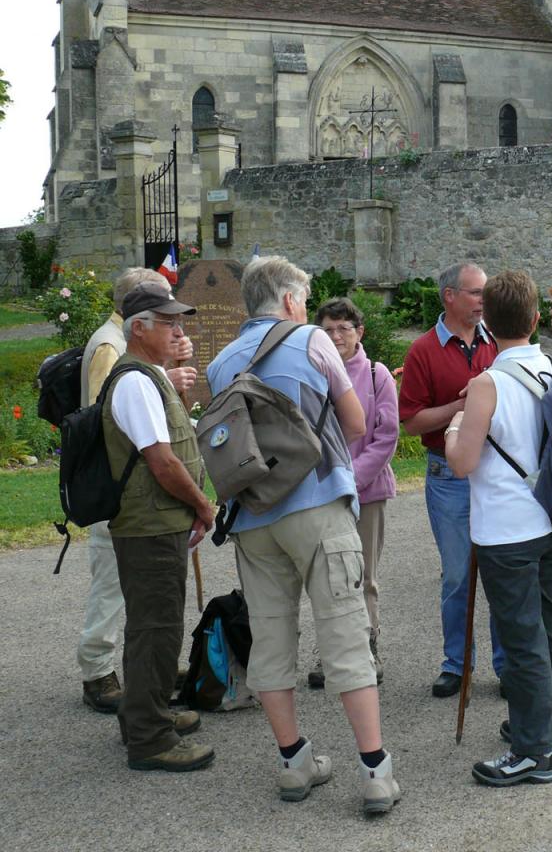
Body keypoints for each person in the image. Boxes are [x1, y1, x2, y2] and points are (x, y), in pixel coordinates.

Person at [207, 256, 398, 812]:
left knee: (270, 638)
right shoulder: (313, 341)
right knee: (343, 632)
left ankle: (294, 762)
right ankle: (375, 771)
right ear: (290, 301)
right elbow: (357, 423)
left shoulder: (222, 362)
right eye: (306, 299)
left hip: (253, 516)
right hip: (316, 503)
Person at [444, 270, 552, 785]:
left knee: (521, 639)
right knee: (549, 623)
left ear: (487, 323)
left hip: (505, 528)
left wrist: (454, 427)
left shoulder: (487, 383)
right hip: (551, 519)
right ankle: (551, 723)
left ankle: (533, 751)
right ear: (537, 318)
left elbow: (462, 462)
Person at [102, 281, 214, 770]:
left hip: (155, 521)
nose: (178, 330)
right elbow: (163, 462)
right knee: (156, 630)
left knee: (153, 626)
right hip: (150, 526)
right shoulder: (134, 380)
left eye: (179, 322)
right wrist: (203, 505)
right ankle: (150, 739)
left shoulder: (149, 375)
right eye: (168, 323)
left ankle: (144, 714)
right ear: (139, 329)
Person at [77, 267, 193, 714]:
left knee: (136, 591)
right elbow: (110, 414)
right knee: (113, 584)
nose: (171, 319)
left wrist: (169, 376)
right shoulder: (112, 346)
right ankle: (98, 670)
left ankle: (145, 670)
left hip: (132, 489)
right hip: (122, 489)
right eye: (162, 306)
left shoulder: (122, 342)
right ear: (134, 309)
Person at [398, 262, 504, 698]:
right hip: (447, 475)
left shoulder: (496, 342)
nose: (484, 301)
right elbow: (411, 422)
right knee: (458, 574)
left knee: (499, 570)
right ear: (450, 297)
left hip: (493, 470)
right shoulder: (422, 350)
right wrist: (461, 409)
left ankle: (507, 666)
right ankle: (457, 665)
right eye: (477, 293)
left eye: (486, 293)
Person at [308, 297, 398, 688]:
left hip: (366, 492)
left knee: (365, 576)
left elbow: (386, 436)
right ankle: (332, 652)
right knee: (328, 577)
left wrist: (350, 481)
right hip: (322, 493)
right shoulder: (312, 373)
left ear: (359, 332)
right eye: (328, 330)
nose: (336, 336)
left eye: (344, 328)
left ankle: (367, 647)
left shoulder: (378, 375)